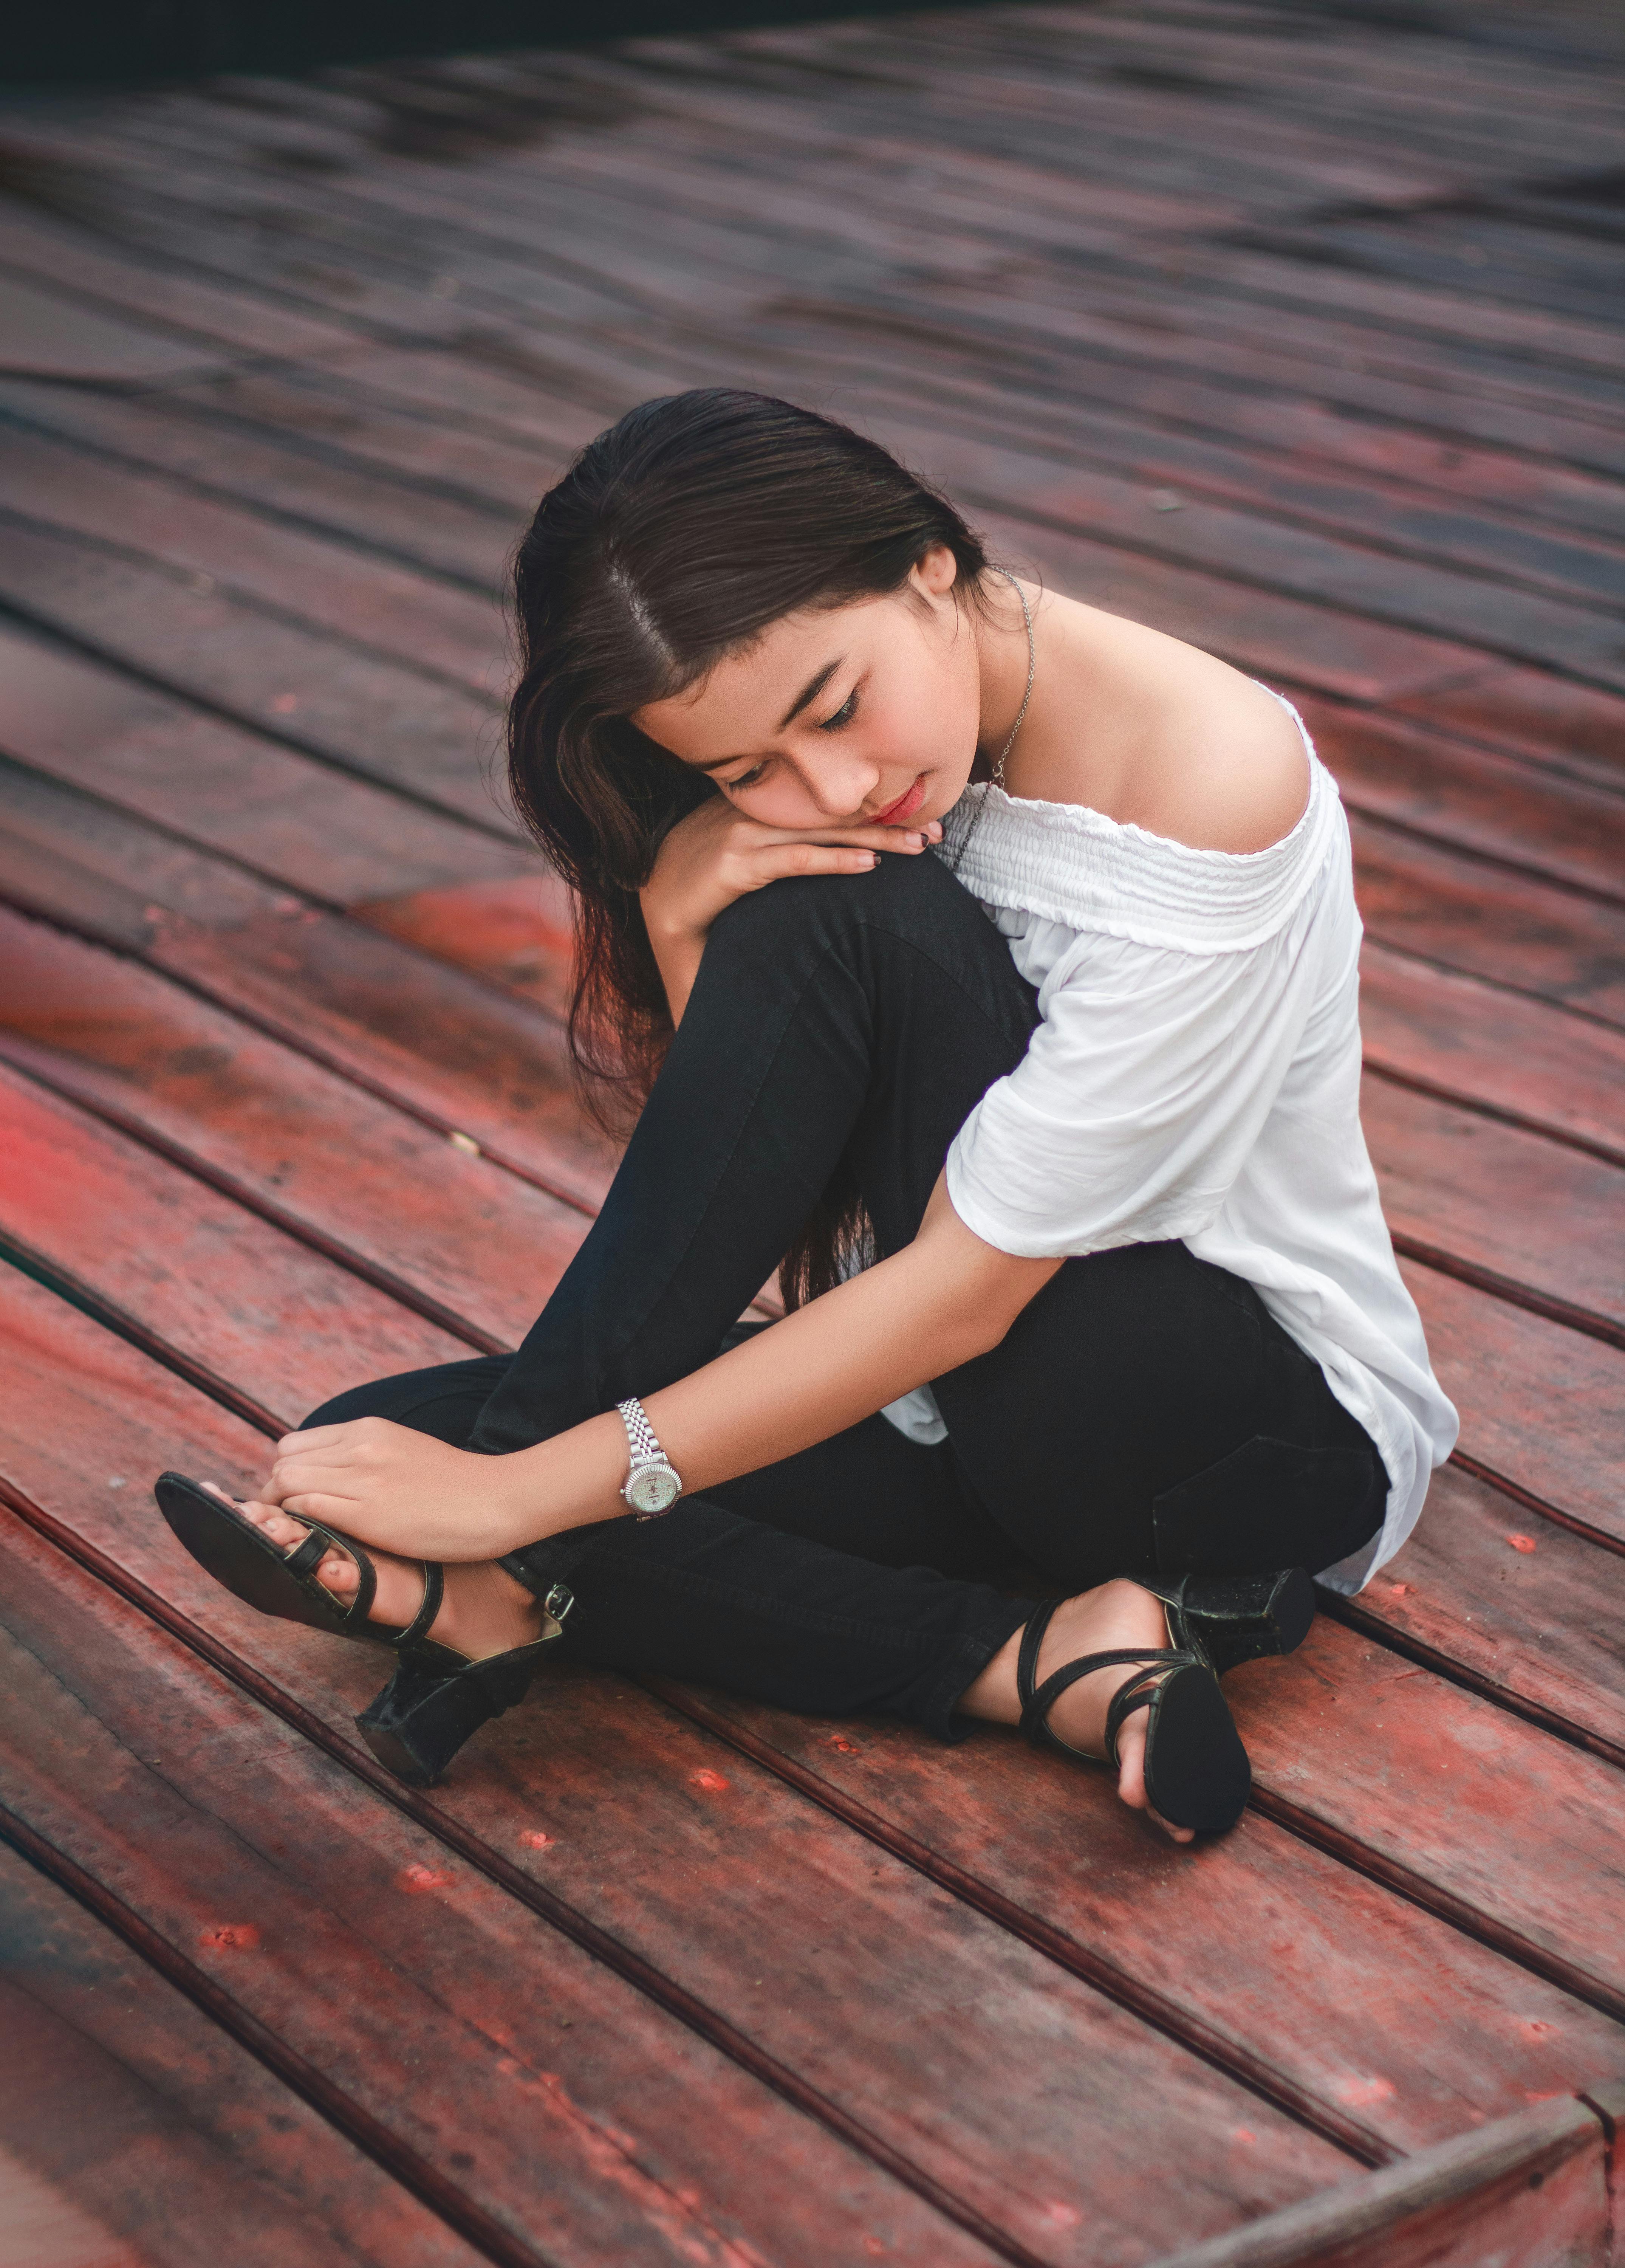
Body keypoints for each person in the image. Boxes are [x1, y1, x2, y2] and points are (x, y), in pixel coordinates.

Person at [156, 390, 1458, 1841]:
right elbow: (773, 1156)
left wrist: (516, 1492)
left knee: (484, 1483)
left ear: (927, 566)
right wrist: (678, 920)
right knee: (364, 1451)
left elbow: (967, 1294)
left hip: (1214, 1440)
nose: (834, 786)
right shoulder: (870, 764)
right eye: (742, 772)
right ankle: (1047, 1664)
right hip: (953, 1407)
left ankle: (506, 1575)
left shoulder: (1204, 775)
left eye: (832, 707)